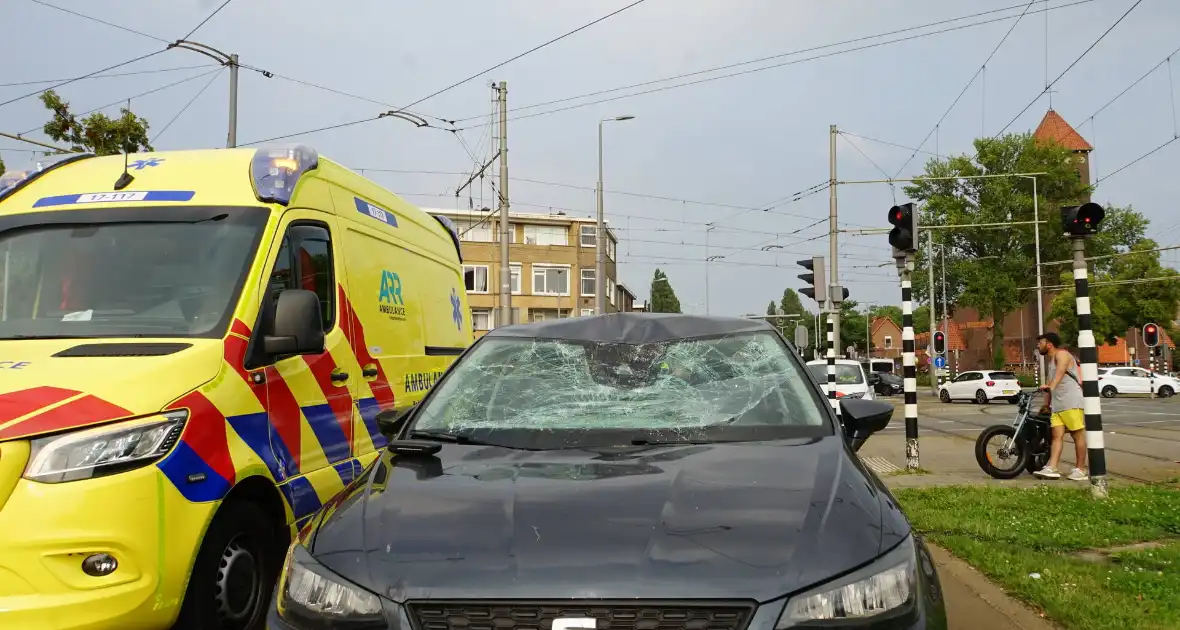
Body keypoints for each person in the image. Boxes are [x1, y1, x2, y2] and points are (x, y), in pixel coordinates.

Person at [1033, 332, 1088, 480]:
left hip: (1071, 402)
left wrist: (1051, 386)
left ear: (1049, 344)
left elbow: (1061, 372)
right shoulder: (1051, 362)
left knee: (1077, 435)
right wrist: (1046, 404)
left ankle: (1080, 470)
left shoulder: (1062, 354)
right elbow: (1051, 384)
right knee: (1056, 436)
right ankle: (1052, 467)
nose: (1038, 345)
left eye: (1041, 342)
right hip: (1058, 405)